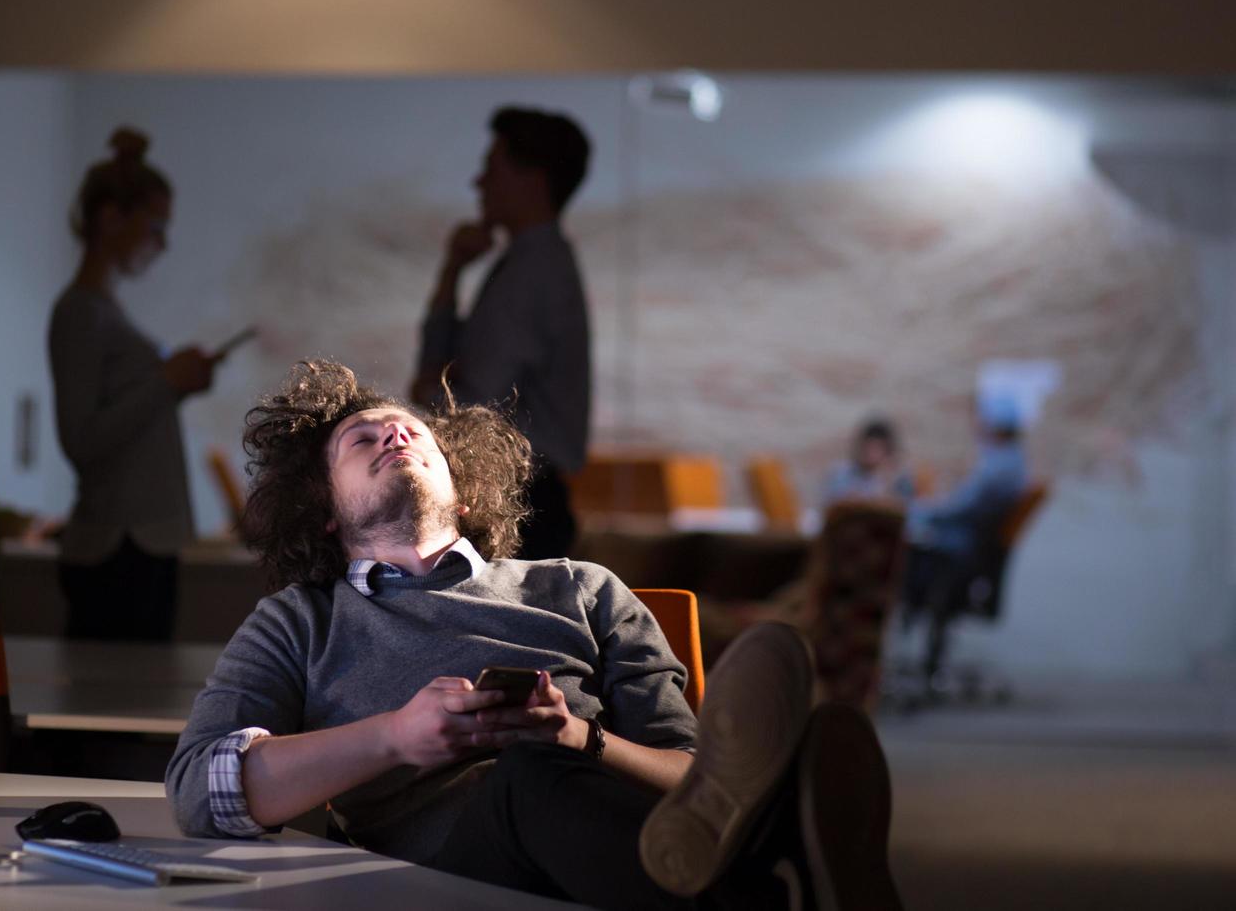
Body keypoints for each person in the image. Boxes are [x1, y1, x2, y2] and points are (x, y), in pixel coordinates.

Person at [166, 360, 901, 910]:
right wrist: (394, 737)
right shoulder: (301, 620)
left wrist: (581, 739)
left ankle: (748, 857)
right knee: (526, 776)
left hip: (609, 832)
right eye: (364, 439)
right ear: (324, 509)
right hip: (445, 872)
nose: (395, 430)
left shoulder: (581, 587)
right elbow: (201, 787)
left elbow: (690, 777)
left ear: (460, 477)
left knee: (558, 765)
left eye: (413, 430)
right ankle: (777, 853)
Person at [48, 127, 220, 641]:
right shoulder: (81, 312)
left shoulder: (101, 312)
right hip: (118, 548)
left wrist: (173, 383)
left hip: (133, 544)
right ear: (110, 218)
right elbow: (81, 441)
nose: (162, 243)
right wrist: (166, 383)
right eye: (156, 226)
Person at [413, 106, 591, 561]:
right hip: (528, 496)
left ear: (531, 179)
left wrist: (430, 388)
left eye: (492, 169)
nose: (479, 183)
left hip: (520, 500)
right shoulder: (538, 264)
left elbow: (469, 406)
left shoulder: (531, 274)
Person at [901, 394, 1029, 680]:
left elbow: (958, 509)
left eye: (981, 417)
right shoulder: (1011, 461)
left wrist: (915, 511)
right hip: (968, 551)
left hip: (958, 556)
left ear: (995, 423)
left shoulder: (998, 467)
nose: (975, 424)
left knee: (905, 555)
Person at [822, 416, 915, 507]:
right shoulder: (841, 474)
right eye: (868, 447)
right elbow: (831, 504)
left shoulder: (899, 479)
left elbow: (905, 508)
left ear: (888, 452)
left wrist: (886, 482)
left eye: (877, 449)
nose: (871, 454)